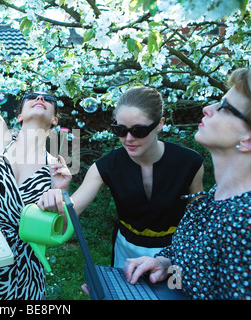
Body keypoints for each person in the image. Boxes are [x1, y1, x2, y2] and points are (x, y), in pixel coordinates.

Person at [0, 0, 71, 299]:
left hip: (28, 271)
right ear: (19, 114)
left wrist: (61, 198)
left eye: (47, 98)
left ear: (54, 120)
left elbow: (58, 232)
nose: (39, 98)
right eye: (31, 96)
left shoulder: (57, 168)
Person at [39, 86, 204, 267]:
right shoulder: (106, 166)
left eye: (139, 131)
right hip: (127, 251)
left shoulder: (190, 163)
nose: (128, 138)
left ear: (160, 123)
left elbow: (196, 221)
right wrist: (59, 192)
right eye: (120, 130)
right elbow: (69, 214)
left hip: (174, 252)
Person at [123, 69, 251, 300]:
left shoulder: (244, 221)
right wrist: (164, 261)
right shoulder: (217, 196)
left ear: (248, 139)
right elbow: (195, 253)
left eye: (224, 107)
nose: (207, 109)